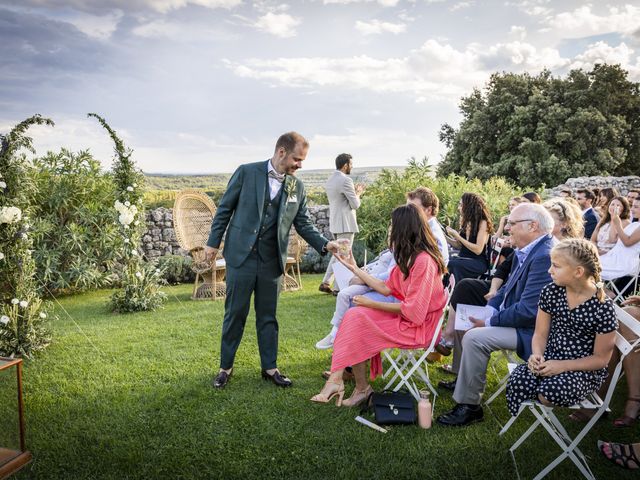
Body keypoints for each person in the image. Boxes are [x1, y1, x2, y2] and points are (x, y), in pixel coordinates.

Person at [206, 132, 339, 389]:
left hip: (271, 262)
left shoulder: (296, 187)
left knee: (268, 316)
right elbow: (224, 209)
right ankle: (225, 368)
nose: (300, 165)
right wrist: (213, 243)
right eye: (297, 159)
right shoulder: (246, 172)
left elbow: (303, 223)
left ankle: (270, 368)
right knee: (235, 314)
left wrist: (325, 244)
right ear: (281, 152)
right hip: (241, 258)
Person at [310, 204, 447, 407]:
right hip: (409, 319)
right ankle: (348, 384)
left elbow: (414, 312)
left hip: (419, 327)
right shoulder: (410, 256)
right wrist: (354, 268)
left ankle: (349, 384)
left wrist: (370, 303)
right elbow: (385, 287)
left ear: (404, 228)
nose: (390, 229)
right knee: (355, 316)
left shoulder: (423, 261)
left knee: (357, 318)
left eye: (393, 225)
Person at [436, 203, 554, 427]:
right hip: (520, 319)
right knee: (465, 314)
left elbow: (529, 312)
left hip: (534, 331)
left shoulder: (544, 256)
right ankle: (463, 376)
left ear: (533, 226)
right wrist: (489, 311)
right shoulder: (531, 248)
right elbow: (506, 289)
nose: (508, 228)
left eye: (512, 223)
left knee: (475, 336)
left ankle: (470, 406)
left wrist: (488, 321)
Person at [314, 187, 449, 351]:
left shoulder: (428, 245)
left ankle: (347, 354)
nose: (408, 211)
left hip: (409, 305)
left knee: (355, 307)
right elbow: (392, 275)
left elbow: (413, 298)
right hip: (397, 290)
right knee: (351, 300)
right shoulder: (413, 236)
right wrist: (358, 270)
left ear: (428, 210)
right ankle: (344, 351)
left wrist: (366, 288)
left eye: (412, 208)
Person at [505, 238, 617, 417]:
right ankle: (540, 386)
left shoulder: (603, 306)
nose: (550, 270)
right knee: (518, 381)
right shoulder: (551, 291)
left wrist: (563, 366)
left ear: (578, 272)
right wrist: (537, 355)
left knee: (548, 393)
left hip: (583, 370)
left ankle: (544, 392)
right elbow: (540, 334)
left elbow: (601, 359)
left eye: (556, 266)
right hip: (550, 358)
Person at [319, 153, 362, 295]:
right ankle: (338, 288)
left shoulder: (330, 179)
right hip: (346, 223)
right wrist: (358, 193)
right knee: (343, 255)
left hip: (336, 222)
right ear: (345, 165)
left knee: (337, 253)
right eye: (351, 164)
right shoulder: (346, 180)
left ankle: (326, 282)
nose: (352, 167)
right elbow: (355, 204)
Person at [445, 192, 493, 282]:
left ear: (469, 206)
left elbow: (478, 250)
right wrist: (444, 236)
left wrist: (457, 236)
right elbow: (459, 246)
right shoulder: (465, 221)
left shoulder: (483, 223)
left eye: (461, 205)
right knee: (444, 260)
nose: (459, 208)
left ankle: (454, 292)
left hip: (477, 262)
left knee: (453, 264)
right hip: (463, 258)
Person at [600, 197, 640, 282]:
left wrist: (618, 224)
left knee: (588, 266)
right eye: (632, 206)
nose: (632, 209)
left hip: (624, 262)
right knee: (584, 263)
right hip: (613, 257)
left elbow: (627, 242)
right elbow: (612, 240)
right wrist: (614, 220)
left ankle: (606, 293)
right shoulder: (635, 224)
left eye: (636, 207)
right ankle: (603, 291)